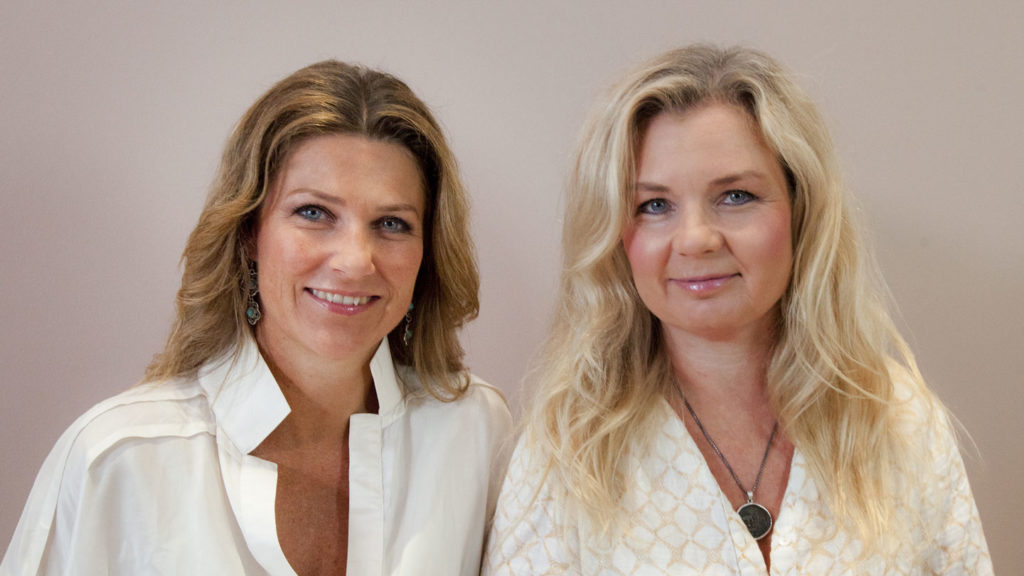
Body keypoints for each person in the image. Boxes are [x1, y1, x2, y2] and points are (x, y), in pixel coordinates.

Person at [483, 45, 992, 574]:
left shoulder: (898, 419)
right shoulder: (565, 453)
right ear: (614, 234)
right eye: (654, 205)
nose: (696, 239)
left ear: (801, 209)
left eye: (736, 196)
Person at [2, 60, 512, 575]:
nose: (356, 260)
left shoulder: (474, 431)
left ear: (427, 253)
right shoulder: (117, 461)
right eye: (314, 212)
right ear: (249, 232)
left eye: (392, 223)